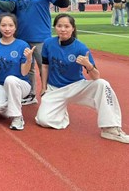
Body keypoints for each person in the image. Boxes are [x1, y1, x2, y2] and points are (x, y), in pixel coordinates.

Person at [35, 14, 129, 143]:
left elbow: (96, 76)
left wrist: (88, 65)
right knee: (44, 120)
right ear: (55, 27)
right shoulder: (48, 43)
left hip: (76, 87)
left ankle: (110, 128)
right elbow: (45, 66)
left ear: (73, 28)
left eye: (66, 26)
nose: (63, 29)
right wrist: (44, 87)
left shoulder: (81, 48)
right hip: (54, 88)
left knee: (102, 84)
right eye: (59, 26)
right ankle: (61, 110)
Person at [15, 0, 70, 105]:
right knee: (28, 68)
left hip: (41, 37)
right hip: (21, 37)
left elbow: (64, 4)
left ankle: (52, 95)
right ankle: (30, 94)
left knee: (45, 67)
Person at [0, 14, 34, 131]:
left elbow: (24, 72)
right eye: (3, 25)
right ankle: (14, 102)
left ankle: (17, 117)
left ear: (15, 27)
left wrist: (29, 59)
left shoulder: (22, 45)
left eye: (10, 25)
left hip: (20, 84)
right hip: (1, 84)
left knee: (10, 80)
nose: (7, 29)